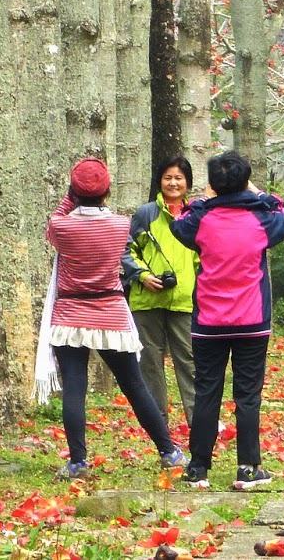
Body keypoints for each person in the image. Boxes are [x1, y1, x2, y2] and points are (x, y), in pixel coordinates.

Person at [35, 157, 187, 480]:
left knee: (75, 387)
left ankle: (78, 461)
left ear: (74, 193)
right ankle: (168, 450)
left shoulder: (62, 227)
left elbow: (56, 220)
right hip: (111, 314)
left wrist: (72, 194)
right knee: (134, 383)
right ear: (107, 193)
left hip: (70, 315)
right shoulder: (120, 225)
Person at [168, 151, 284, 490]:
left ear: (213, 184)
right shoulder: (263, 221)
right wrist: (259, 193)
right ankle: (249, 468)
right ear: (245, 180)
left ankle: (198, 468)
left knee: (207, 391)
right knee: (248, 394)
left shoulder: (201, 220)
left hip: (209, 322)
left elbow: (178, 222)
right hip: (252, 321)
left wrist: (204, 199)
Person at [121, 156, 200, 427]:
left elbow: (205, 255)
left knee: (189, 363)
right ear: (159, 181)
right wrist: (142, 275)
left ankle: (198, 421)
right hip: (147, 300)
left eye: (179, 177)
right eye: (168, 177)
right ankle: (157, 425)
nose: (173, 183)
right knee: (150, 364)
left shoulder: (196, 215)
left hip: (185, 301)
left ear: (188, 182)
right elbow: (126, 249)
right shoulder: (146, 214)